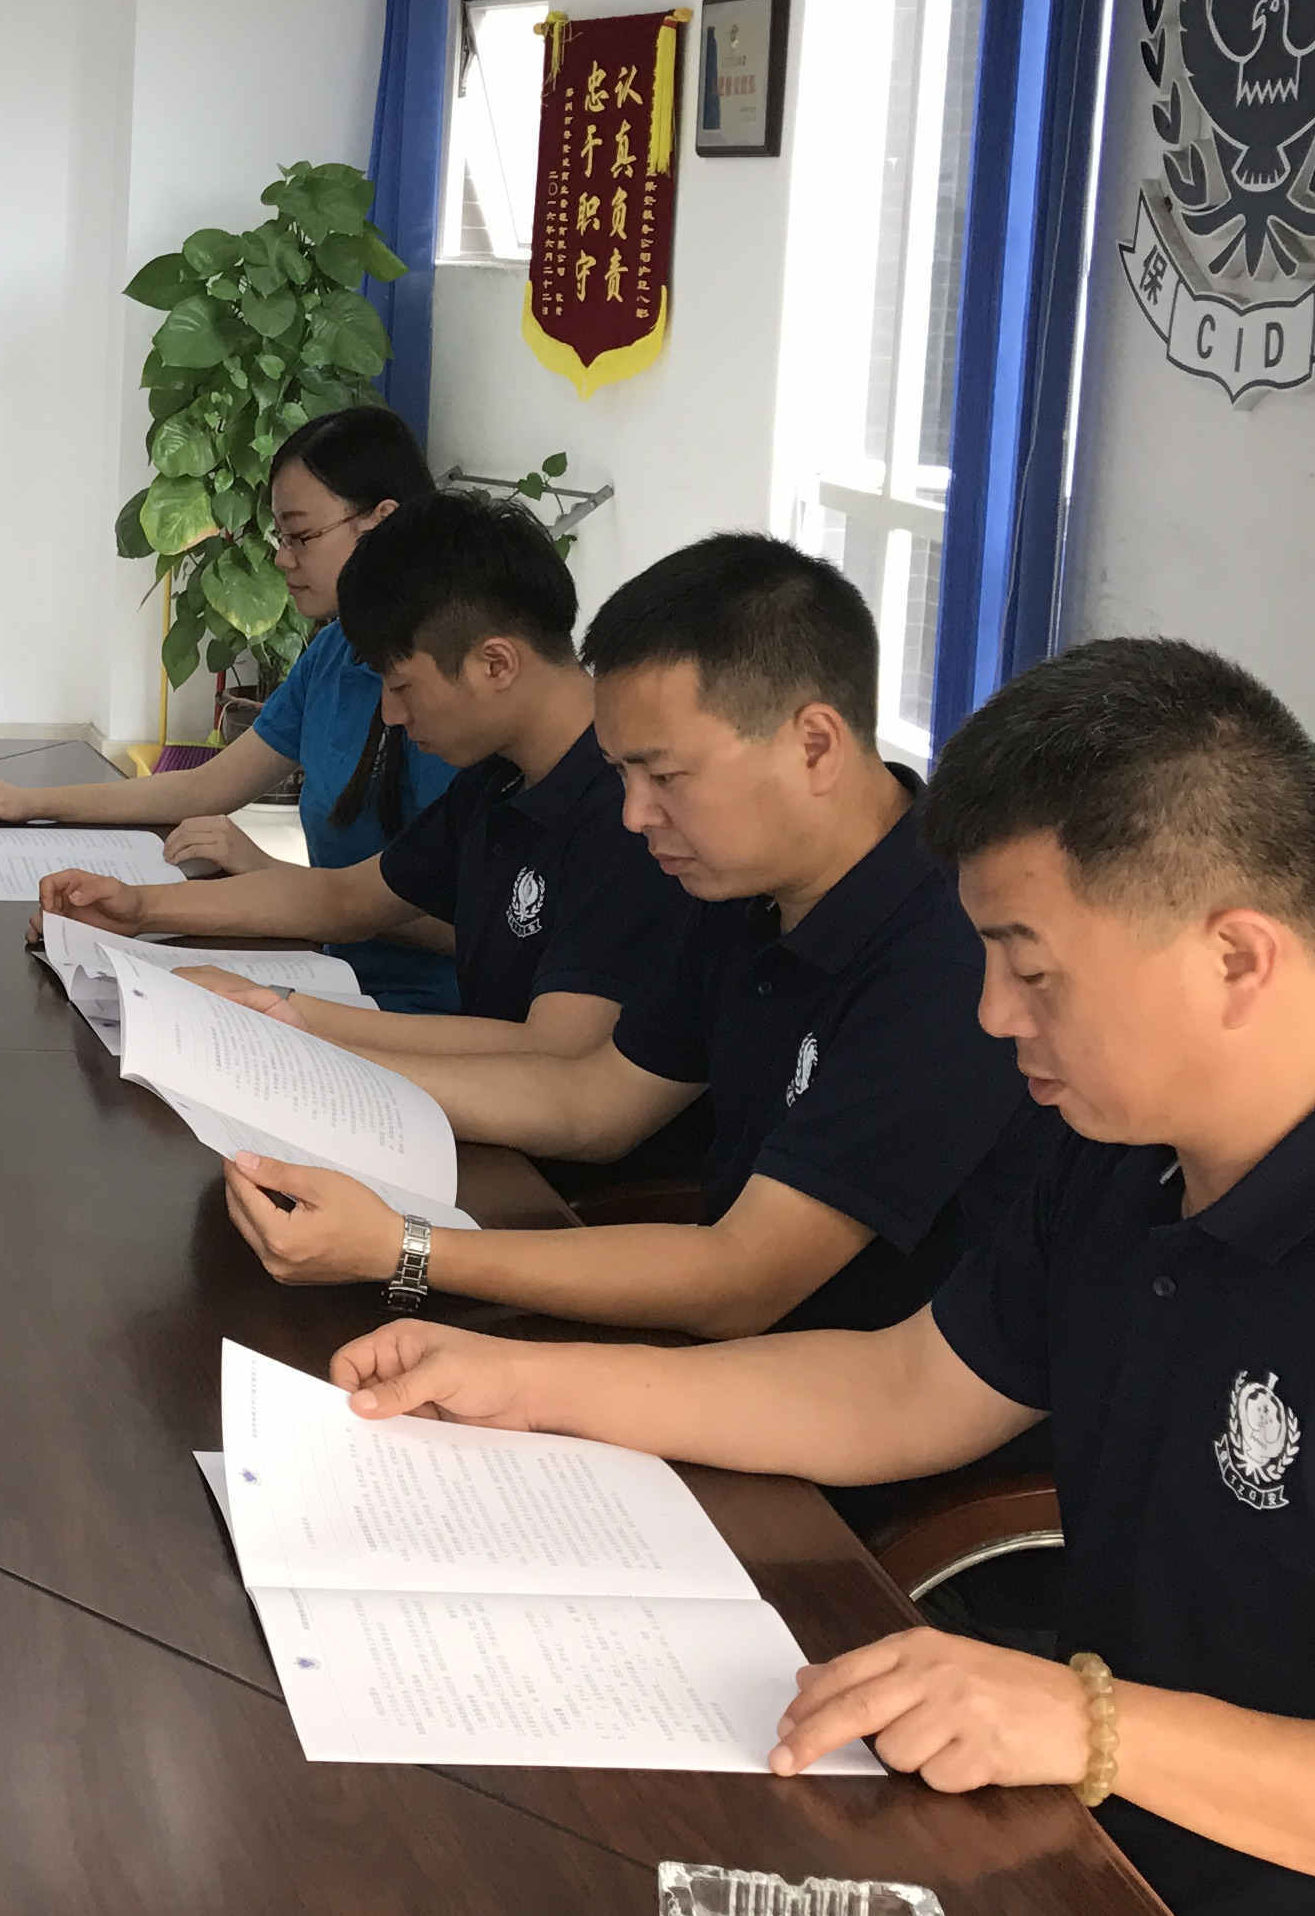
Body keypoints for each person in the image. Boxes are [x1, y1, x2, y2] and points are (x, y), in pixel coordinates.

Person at [335, 638, 1315, 1916]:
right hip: (1118, 1878)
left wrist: (1093, 1727)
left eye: (1033, 967)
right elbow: (899, 1389)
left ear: (1236, 957)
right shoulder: (1124, 1151)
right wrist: (523, 1382)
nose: (989, 1011)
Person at [183, 534, 1047, 1340]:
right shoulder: (743, 888)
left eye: (664, 775)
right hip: (723, 1356)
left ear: (814, 746)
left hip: (827, 1401)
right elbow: (594, 1102)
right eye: (624, 773)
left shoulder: (950, 956)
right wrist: (295, 1048)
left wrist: (404, 1249)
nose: (635, 816)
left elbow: (745, 1278)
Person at [42, 489, 703, 1092]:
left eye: (402, 685)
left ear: (495, 663)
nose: (390, 714)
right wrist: (140, 908)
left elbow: (553, 1052)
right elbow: (344, 898)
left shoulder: (629, 813)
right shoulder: (499, 778)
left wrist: (283, 1012)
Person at [0, 404, 461, 1012]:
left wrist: (263, 868)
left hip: (415, 1008)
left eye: (301, 536)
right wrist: (32, 803)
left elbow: (456, 922)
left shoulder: (445, 694)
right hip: (325, 969)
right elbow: (205, 787)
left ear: (380, 522)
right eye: (279, 537)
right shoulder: (334, 652)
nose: (282, 558)